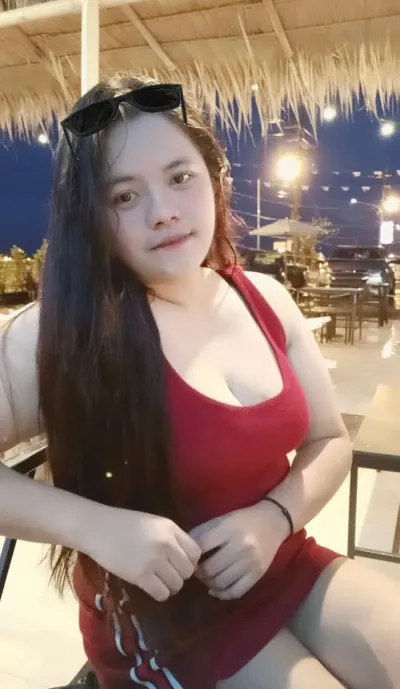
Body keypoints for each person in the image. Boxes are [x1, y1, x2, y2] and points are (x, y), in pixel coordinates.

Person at [0, 75, 399, 689]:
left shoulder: (265, 298)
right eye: (124, 196)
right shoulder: (63, 333)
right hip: (167, 615)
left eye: (180, 177)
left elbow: (329, 440)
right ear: (91, 218)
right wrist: (96, 527)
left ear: (214, 178)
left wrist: (273, 519)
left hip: (282, 561)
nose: (163, 211)